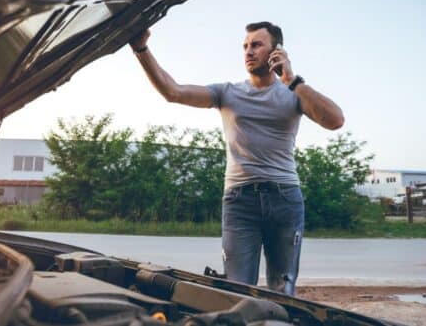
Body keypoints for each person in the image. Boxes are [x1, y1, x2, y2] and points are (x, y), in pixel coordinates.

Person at [129, 21, 344, 295]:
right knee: (235, 290)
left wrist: (291, 80)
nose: (248, 51)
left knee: (282, 289)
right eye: (245, 46)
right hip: (239, 202)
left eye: (256, 45)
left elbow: (335, 120)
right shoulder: (227, 93)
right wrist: (141, 49)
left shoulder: (294, 94)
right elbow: (173, 92)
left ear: (276, 51)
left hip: (285, 198)